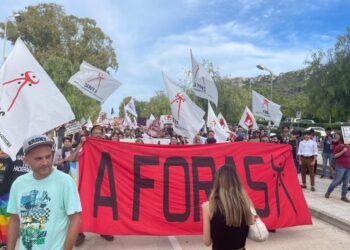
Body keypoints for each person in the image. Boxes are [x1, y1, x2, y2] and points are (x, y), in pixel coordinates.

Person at [7, 135, 81, 250]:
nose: (45, 162)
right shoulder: (18, 184)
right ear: (26, 160)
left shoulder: (65, 181)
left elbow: (75, 218)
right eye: (39, 158)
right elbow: (15, 219)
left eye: (48, 157)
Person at [69, 125, 115, 246]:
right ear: (90, 135)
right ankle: (80, 232)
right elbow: (71, 159)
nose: (98, 135)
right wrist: (81, 145)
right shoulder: (85, 147)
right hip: (86, 182)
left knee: (104, 208)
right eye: (95, 133)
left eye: (100, 132)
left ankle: (103, 230)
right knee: (83, 206)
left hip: (103, 183)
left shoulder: (108, 146)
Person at [202, 165, 253, 250]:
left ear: (218, 182)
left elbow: (207, 242)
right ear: (236, 181)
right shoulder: (246, 203)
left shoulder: (209, 207)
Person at [325, 134, 350, 202]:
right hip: (340, 167)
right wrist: (342, 151)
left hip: (348, 168)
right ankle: (328, 192)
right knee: (337, 181)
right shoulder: (340, 146)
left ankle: (343, 196)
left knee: (346, 182)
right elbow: (334, 156)